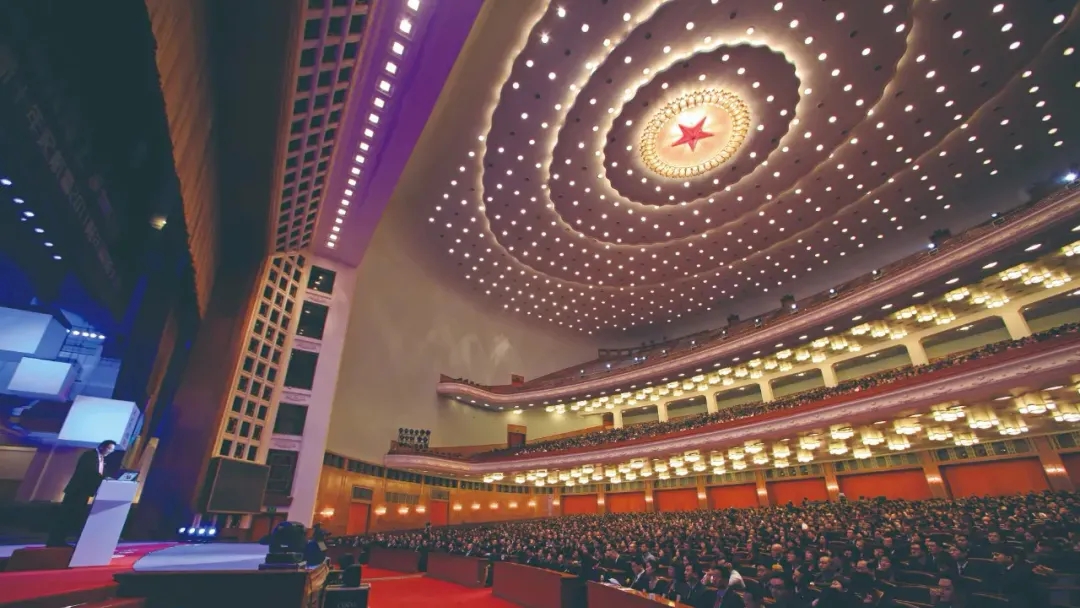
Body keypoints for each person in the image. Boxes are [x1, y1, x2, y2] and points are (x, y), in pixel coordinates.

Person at [46, 440, 116, 547]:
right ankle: (54, 541)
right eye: (109, 449)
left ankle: (61, 540)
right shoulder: (89, 455)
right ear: (102, 446)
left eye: (112, 450)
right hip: (77, 491)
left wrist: (108, 479)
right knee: (65, 516)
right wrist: (104, 478)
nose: (110, 451)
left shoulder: (101, 459)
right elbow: (89, 471)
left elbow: (100, 473)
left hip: (85, 492)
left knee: (72, 517)